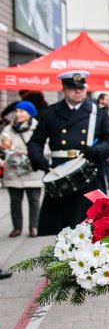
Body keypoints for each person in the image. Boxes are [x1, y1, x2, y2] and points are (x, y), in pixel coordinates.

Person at [27, 71, 109, 236]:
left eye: (81, 87)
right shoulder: (50, 113)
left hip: (89, 174)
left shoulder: (98, 113)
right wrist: (37, 158)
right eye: (72, 88)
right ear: (64, 89)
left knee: (91, 227)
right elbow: (35, 141)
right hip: (60, 176)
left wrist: (96, 150)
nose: (78, 91)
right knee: (62, 228)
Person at [1, 101, 43, 238]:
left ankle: (34, 226)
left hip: (32, 169)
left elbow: (46, 146)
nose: (18, 114)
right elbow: (2, 144)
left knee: (34, 200)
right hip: (13, 170)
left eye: (22, 111)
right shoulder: (8, 129)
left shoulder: (39, 128)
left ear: (30, 114)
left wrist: (30, 153)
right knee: (15, 200)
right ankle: (17, 227)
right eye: (17, 111)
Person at [96, 93, 109, 191]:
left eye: (108, 99)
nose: (108, 102)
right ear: (100, 100)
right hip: (96, 142)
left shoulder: (107, 111)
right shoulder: (95, 110)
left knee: (106, 162)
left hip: (104, 142)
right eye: (106, 99)